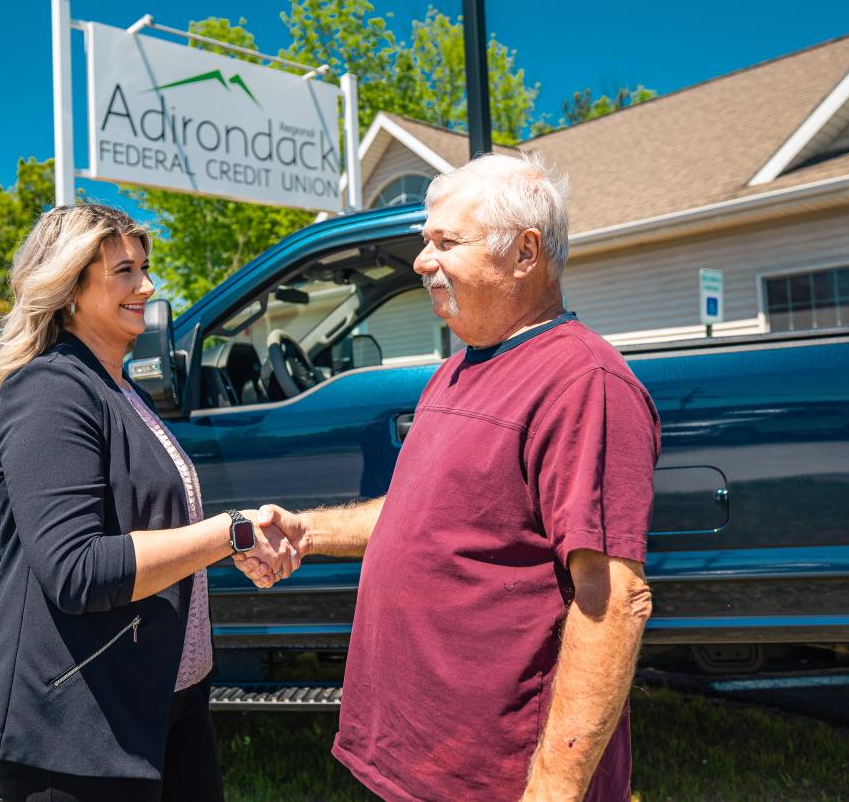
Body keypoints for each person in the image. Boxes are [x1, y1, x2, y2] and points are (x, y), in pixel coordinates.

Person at [245, 153, 660, 801]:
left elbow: (612, 602)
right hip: (417, 760)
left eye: (445, 242)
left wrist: (552, 788)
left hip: (497, 778)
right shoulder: (460, 368)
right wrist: (308, 532)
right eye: (424, 241)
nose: (420, 260)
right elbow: (425, 515)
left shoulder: (584, 384)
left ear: (525, 254)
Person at [0, 203, 298, 802]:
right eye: (124, 271)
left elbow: (154, 526)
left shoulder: (119, 385)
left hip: (165, 695)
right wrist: (231, 534)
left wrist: (229, 544)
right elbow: (78, 571)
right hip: (76, 723)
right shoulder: (49, 390)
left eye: (145, 267)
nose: (147, 286)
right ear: (69, 286)